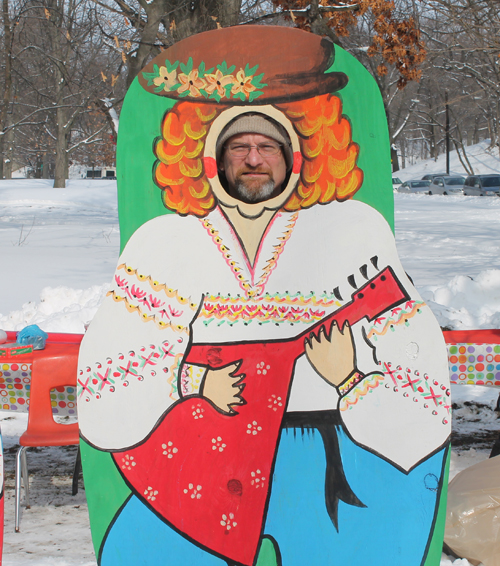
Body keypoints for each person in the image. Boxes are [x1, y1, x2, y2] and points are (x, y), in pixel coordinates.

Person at [77, 29, 450, 566]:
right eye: (239, 147)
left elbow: (420, 384)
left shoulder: (353, 234)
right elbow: (111, 376)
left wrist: (348, 379)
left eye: (267, 146)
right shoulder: (164, 247)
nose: (254, 159)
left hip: (333, 456)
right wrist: (193, 380)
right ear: (212, 161)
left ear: (294, 159)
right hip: (201, 462)